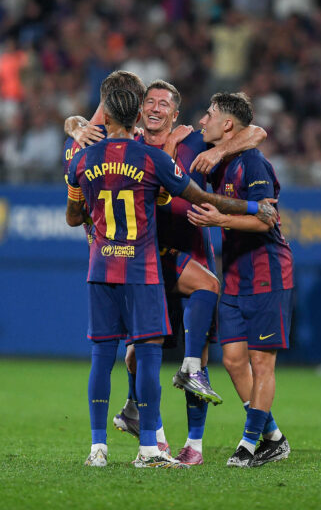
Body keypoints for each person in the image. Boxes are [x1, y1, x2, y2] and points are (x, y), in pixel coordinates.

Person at [65, 88, 276, 468]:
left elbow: (256, 132)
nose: (156, 108)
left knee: (195, 348)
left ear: (177, 114)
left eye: (165, 103)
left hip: (185, 254)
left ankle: (193, 441)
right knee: (135, 355)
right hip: (145, 261)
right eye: (150, 101)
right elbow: (79, 125)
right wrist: (74, 125)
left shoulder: (194, 140)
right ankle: (155, 437)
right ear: (139, 110)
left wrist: (215, 152)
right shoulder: (135, 146)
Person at [187, 92, 293, 468]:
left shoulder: (253, 163)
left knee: (261, 363)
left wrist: (220, 221)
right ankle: (274, 436)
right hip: (233, 273)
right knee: (233, 360)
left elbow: (266, 218)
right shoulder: (214, 161)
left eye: (209, 114)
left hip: (266, 272)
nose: (202, 120)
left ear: (227, 125)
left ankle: (250, 443)